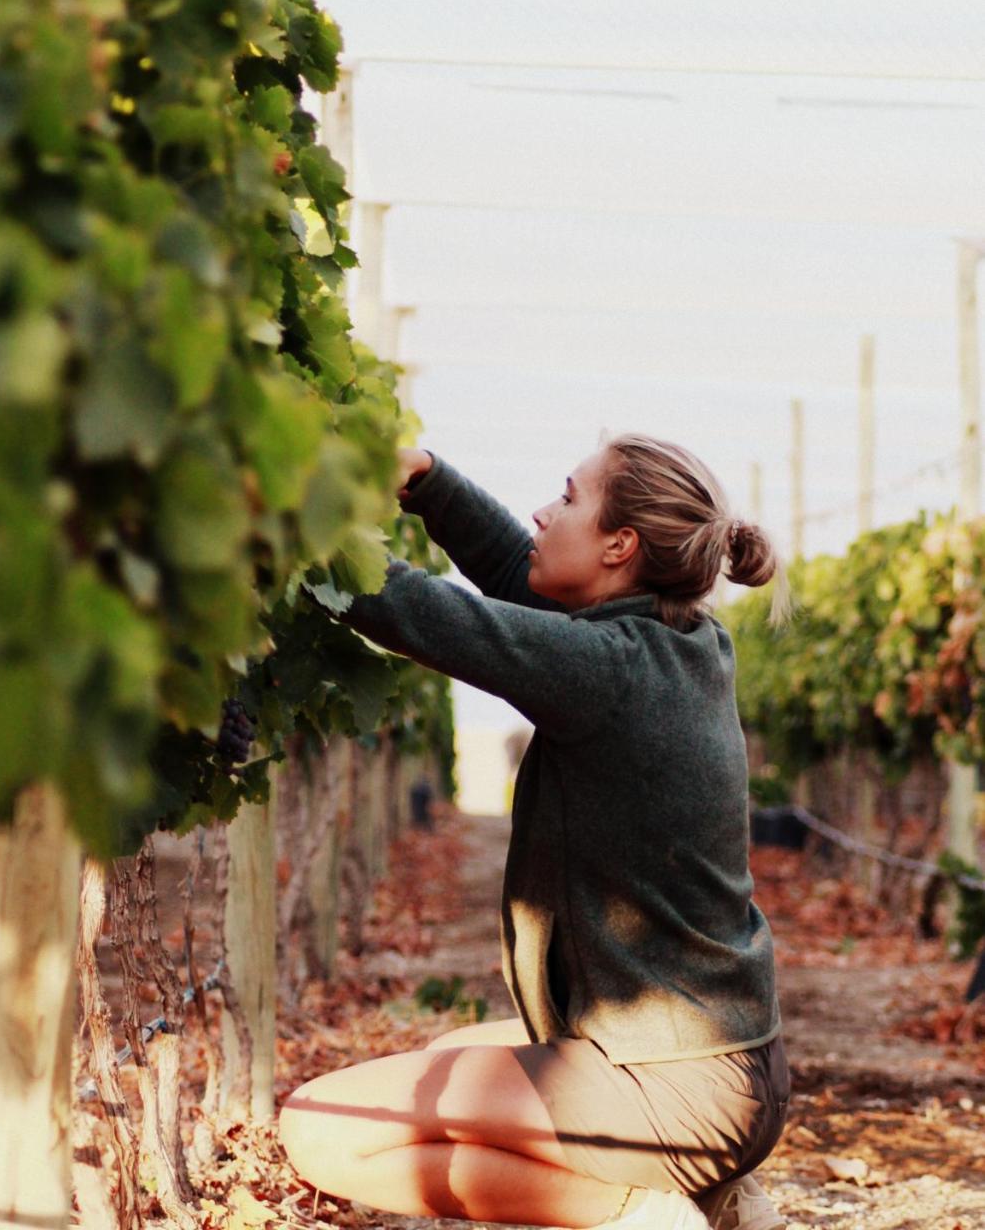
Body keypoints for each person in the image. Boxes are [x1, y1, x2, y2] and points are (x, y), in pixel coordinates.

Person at [279, 435, 792, 1230]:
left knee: (323, 1131)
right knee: (446, 1057)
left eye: (566, 499)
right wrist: (425, 478)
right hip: (728, 1069)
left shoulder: (606, 671)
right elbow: (525, 574)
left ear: (619, 545)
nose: (541, 513)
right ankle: (713, 1194)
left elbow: (418, 612)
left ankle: (642, 1213)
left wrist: (274, 516)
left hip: (672, 1088)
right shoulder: (687, 641)